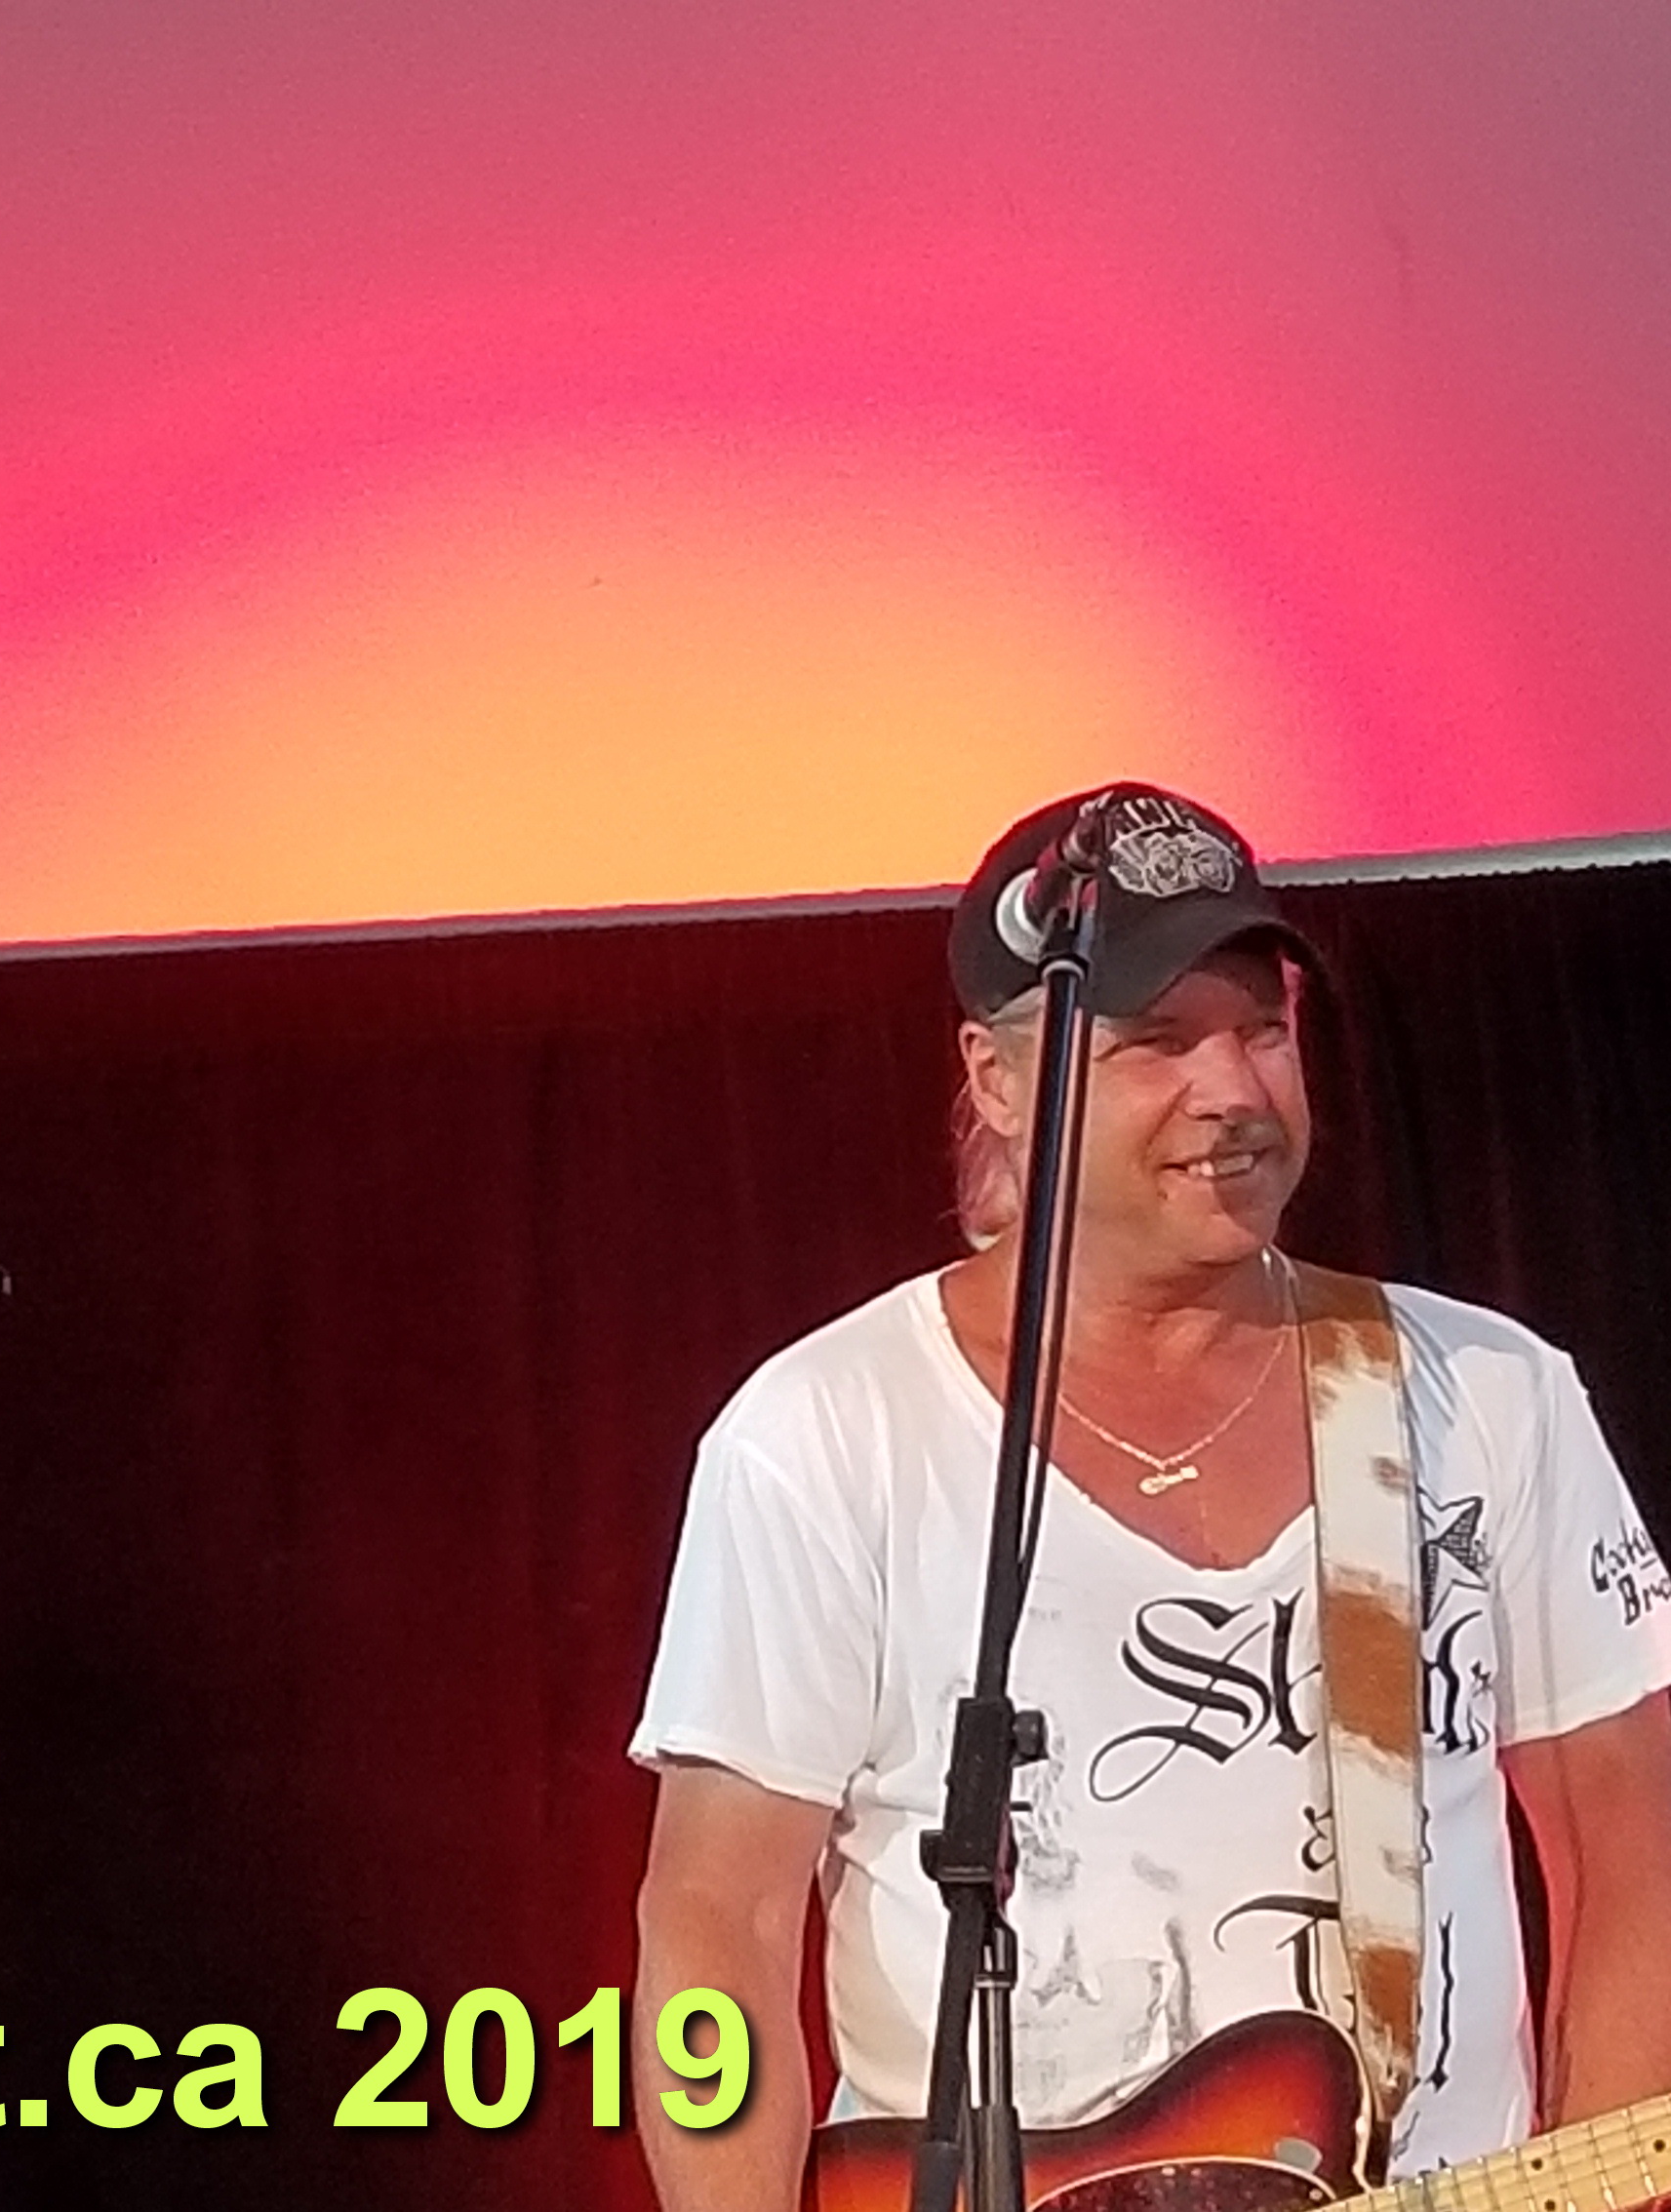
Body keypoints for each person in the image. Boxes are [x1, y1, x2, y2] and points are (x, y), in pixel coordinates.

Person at [627, 784, 1671, 2206]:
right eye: (1160, 1042)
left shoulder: (1490, 1395)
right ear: (999, 1080)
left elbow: (1632, 1850)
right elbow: (717, 1927)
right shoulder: (824, 1435)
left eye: (1263, 1030)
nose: (1233, 1090)